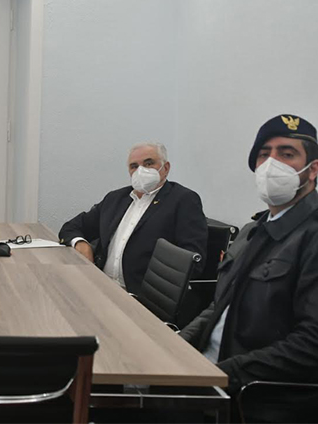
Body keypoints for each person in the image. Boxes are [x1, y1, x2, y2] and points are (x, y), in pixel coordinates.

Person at [179, 114, 318, 422]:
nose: (272, 164)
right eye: (264, 154)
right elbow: (219, 307)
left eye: (287, 154)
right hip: (209, 380)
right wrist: (177, 346)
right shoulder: (253, 230)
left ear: (313, 169)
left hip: (253, 399)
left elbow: (311, 344)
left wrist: (219, 375)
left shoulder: (312, 236)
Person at [58, 142, 207, 294]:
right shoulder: (115, 199)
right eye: (134, 166)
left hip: (144, 295)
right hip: (101, 285)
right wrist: (81, 244)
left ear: (166, 168)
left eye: (149, 163)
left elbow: (193, 260)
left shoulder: (183, 200)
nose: (141, 170)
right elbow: (71, 227)